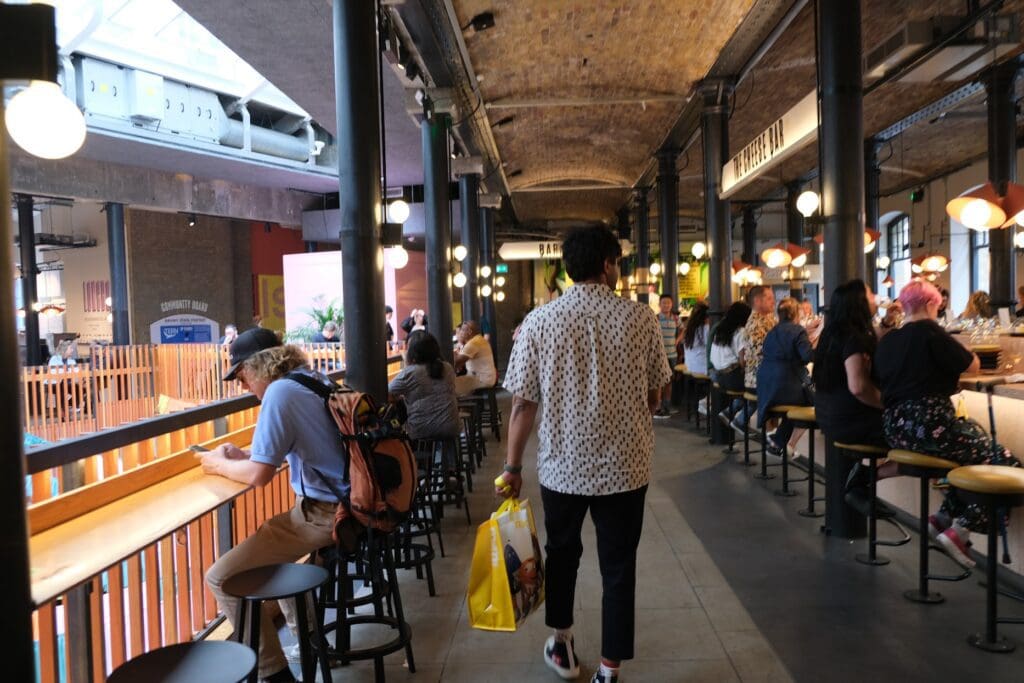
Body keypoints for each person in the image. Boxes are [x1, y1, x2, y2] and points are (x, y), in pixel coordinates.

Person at [499, 225, 671, 683]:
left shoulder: (539, 322)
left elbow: (522, 404)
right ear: (607, 264)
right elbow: (657, 396)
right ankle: (609, 671)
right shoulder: (642, 319)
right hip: (626, 468)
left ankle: (562, 644)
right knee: (619, 566)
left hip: (563, 468)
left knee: (562, 554)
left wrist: (512, 467)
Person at [202, 328, 346, 683]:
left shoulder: (279, 393)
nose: (242, 385)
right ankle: (312, 641)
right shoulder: (310, 379)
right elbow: (290, 446)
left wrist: (215, 463)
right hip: (352, 503)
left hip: (327, 514)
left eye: (241, 375)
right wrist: (248, 453)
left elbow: (258, 477)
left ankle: (275, 673)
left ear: (259, 366)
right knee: (272, 548)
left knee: (221, 576)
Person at [876, 280, 1021, 568]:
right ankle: (959, 531)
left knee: (967, 463)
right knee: (1005, 463)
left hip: (895, 429)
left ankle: (941, 520)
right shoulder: (931, 331)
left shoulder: (889, 339)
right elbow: (972, 366)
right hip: (930, 426)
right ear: (931, 304)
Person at [756, 298, 814, 455]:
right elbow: (808, 356)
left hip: (767, 388)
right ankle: (788, 444)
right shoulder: (798, 331)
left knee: (801, 402)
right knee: (814, 401)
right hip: (785, 387)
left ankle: (779, 441)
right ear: (795, 313)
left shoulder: (771, 332)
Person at [388, 330, 460, 441]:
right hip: (452, 427)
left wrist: (407, 364)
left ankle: (412, 454)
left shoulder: (410, 372)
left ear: (412, 352)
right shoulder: (447, 367)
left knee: (396, 407)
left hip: (422, 429)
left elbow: (387, 391)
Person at [710, 301, 752, 430]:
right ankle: (739, 420)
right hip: (731, 377)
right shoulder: (740, 331)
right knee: (758, 393)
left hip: (717, 375)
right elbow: (743, 361)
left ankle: (729, 412)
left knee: (748, 392)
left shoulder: (720, 328)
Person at [741, 285, 777, 391]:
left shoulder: (768, 318)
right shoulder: (755, 324)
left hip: (767, 378)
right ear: (757, 301)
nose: (774, 302)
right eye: (769, 298)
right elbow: (765, 354)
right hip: (758, 382)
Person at [654, 294, 682, 418]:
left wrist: (678, 340)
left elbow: (683, 330)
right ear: (660, 305)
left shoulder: (676, 319)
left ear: (672, 304)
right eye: (664, 303)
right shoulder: (656, 318)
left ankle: (667, 405)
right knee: (659, 381)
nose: (666, 305)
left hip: (672, 354)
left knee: (669, 382)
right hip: (660, 355)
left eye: (668, 303)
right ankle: (657, 406)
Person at [453, 320, 497, 396]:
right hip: (487, 378)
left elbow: (456, 362)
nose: (460, 333)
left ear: (469, 331)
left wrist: (454, 351)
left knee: (449, 386)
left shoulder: (473, 343)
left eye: (462, 330)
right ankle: (466, 407)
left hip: (481, 379)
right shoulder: (479, 339)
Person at [680, 301, 710, 377]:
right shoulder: (705, 328)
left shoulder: (688, 328)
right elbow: (710, 346)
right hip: (702, 368)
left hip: (689, 366)